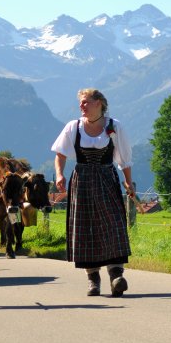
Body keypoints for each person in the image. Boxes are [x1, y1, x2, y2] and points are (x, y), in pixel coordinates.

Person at [52, 88, 135, 297]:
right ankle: (93, 280)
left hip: (107, 179)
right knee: (86, 228)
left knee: (114, 223)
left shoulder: (114, 126)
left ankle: (116, 275)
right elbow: (60, 154)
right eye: (81, 102)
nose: (81, 106)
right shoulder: (74, 127)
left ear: (99, 103)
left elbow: (124, 159)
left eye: (85, 102)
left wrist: (128, 181)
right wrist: (60, 175)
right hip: (82, 182)